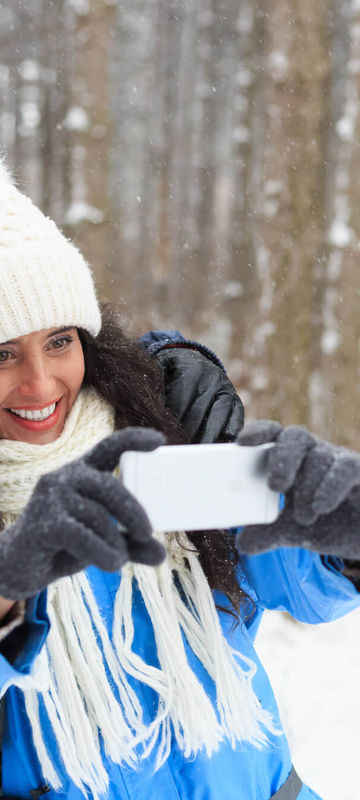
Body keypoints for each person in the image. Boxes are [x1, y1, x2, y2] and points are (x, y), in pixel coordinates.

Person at [0, 160, 359, 800]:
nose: (40, 382)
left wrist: (343, 526)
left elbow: (294, 580)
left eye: (59, 341)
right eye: (1, 353)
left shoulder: (152, 431)